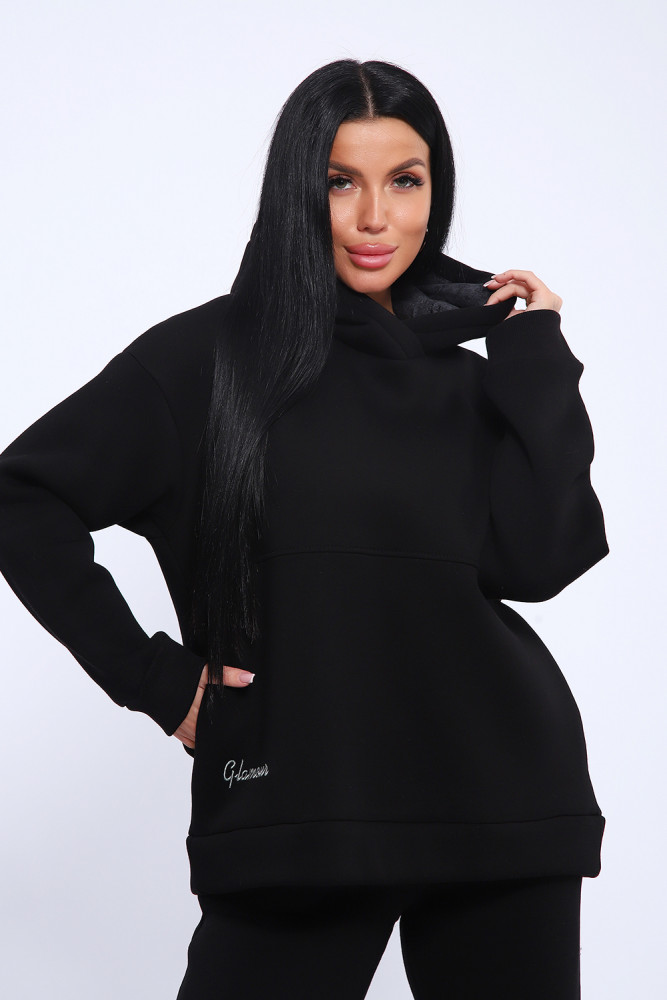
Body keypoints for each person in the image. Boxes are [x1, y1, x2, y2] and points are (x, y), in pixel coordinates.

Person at [0, 58, 608, 999]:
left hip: (501, 801)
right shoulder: (206, 360)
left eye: (404, 181)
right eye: (339, 181)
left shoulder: (470, 378)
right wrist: (159, 682)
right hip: (294, 806)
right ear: (296, 190)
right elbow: (21, 498)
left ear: (434, 193)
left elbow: (541, 560)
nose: (374, 218)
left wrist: (533, 354)